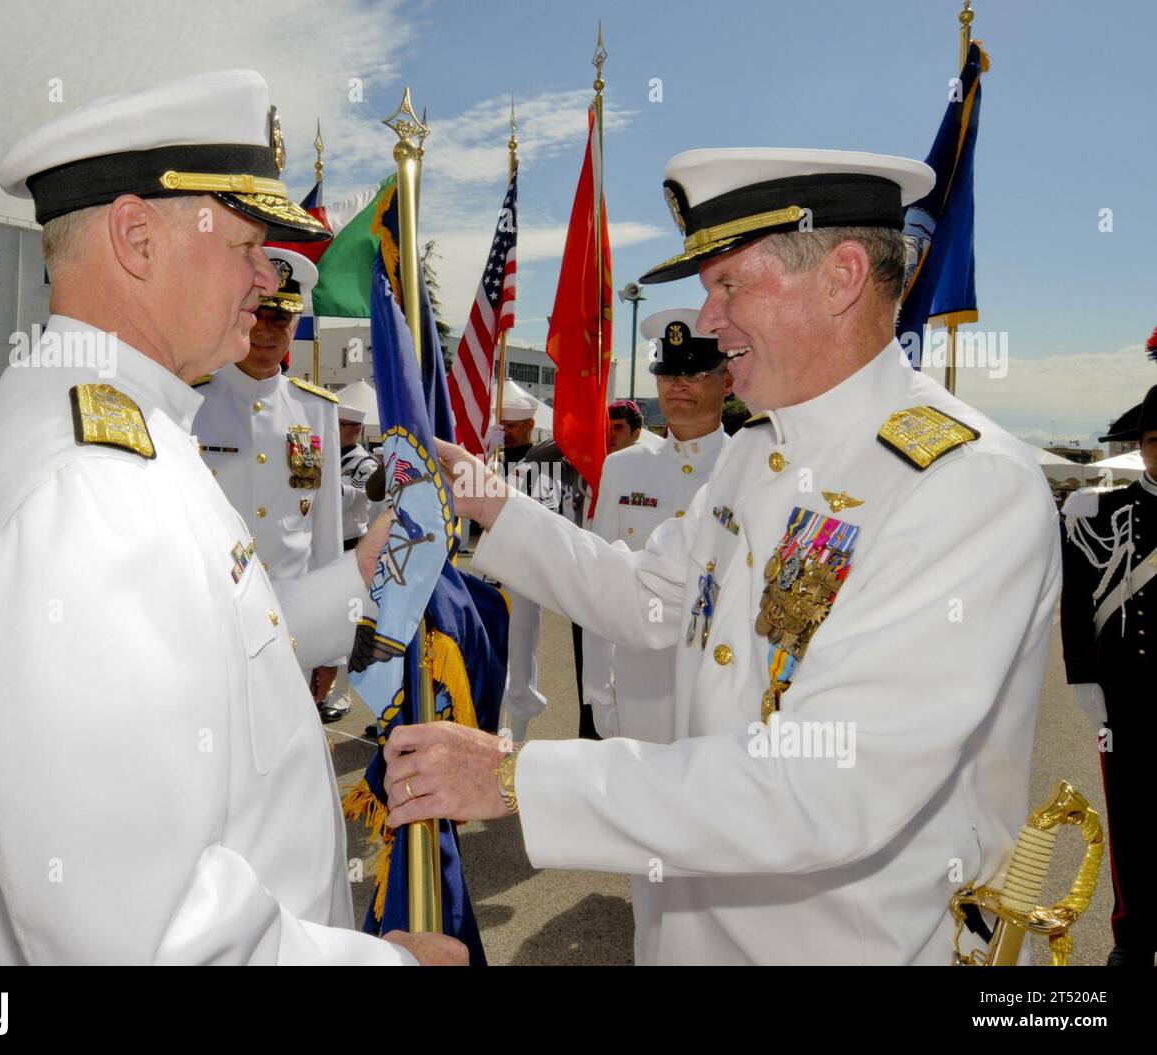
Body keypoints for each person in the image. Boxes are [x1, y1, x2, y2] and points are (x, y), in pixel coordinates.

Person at [382, 147, 1061, 965]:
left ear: (842, 277)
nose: (707, 321)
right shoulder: (757, 453)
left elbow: (824, 783)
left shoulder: (965, 485)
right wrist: (490, 498)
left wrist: (515, 776)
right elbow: (647, 597)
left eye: (729, 285)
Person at [0, 69, 463, 965]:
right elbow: (139, 936)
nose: (269, 279)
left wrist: (367, 569)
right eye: (247, 243)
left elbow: (224, 644)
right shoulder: (89, 492)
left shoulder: (135, 434)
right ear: (136, 238)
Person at [192, 246, 347, 724]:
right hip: (207, 625)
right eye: (257, 315)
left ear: (295, 327)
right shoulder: (191, 401)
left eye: (280, 321)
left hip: (291, 627)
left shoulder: (318, 410)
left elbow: (327, 536)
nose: (266, 331)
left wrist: (332, 643)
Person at [583, 308, 732, 746]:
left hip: (719, 688)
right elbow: (599, 581)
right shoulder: (623, 468)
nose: (679, 384)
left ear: (729, 381)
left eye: (697, 372)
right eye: (668, 374)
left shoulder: (751, 465)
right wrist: (598, 690)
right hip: (638, 687)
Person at [1061, 383, 1157, 967]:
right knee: (1131, 814)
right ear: (1142, 447)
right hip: (1130, 697)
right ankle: (1133, 932)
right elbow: (1077, 601)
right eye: (1154, 441)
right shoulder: (1101, 512)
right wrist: (1081, 676)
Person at [489, 387, 560, 740]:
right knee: (492, 650)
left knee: (519, 656)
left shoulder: (543, 465)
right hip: (492, 569)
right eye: (502, 425)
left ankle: (517, 734)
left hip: (524, 574)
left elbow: (543, 516)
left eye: (513, 426)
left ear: (531, 424)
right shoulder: (492, 460)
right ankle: (492, 724)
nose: (507, 431)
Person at [323, 400, 382, 722]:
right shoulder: (328, 456)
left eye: (342, 425)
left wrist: (320, 473)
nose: (334, 429)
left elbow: (355, 498)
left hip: (350, 549)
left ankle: (342, 693)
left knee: (348, 627)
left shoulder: (365, 464)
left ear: (356, 429)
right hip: (321, 549)